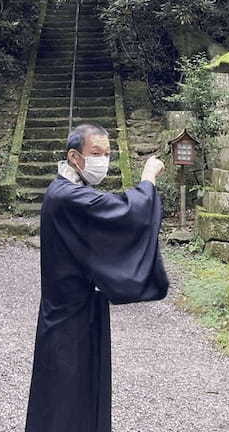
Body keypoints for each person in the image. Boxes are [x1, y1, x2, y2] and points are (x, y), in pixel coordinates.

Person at [24, 122, 169, 432]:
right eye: (96, 153)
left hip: (80, 309)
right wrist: (147, 179)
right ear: (75, 156)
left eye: (107, 153)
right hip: (67, 318)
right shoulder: (65, 196)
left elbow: (102, 226)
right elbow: (122, 212)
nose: (103, 159)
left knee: (82, 392)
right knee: (64, 397)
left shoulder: (70, 192)